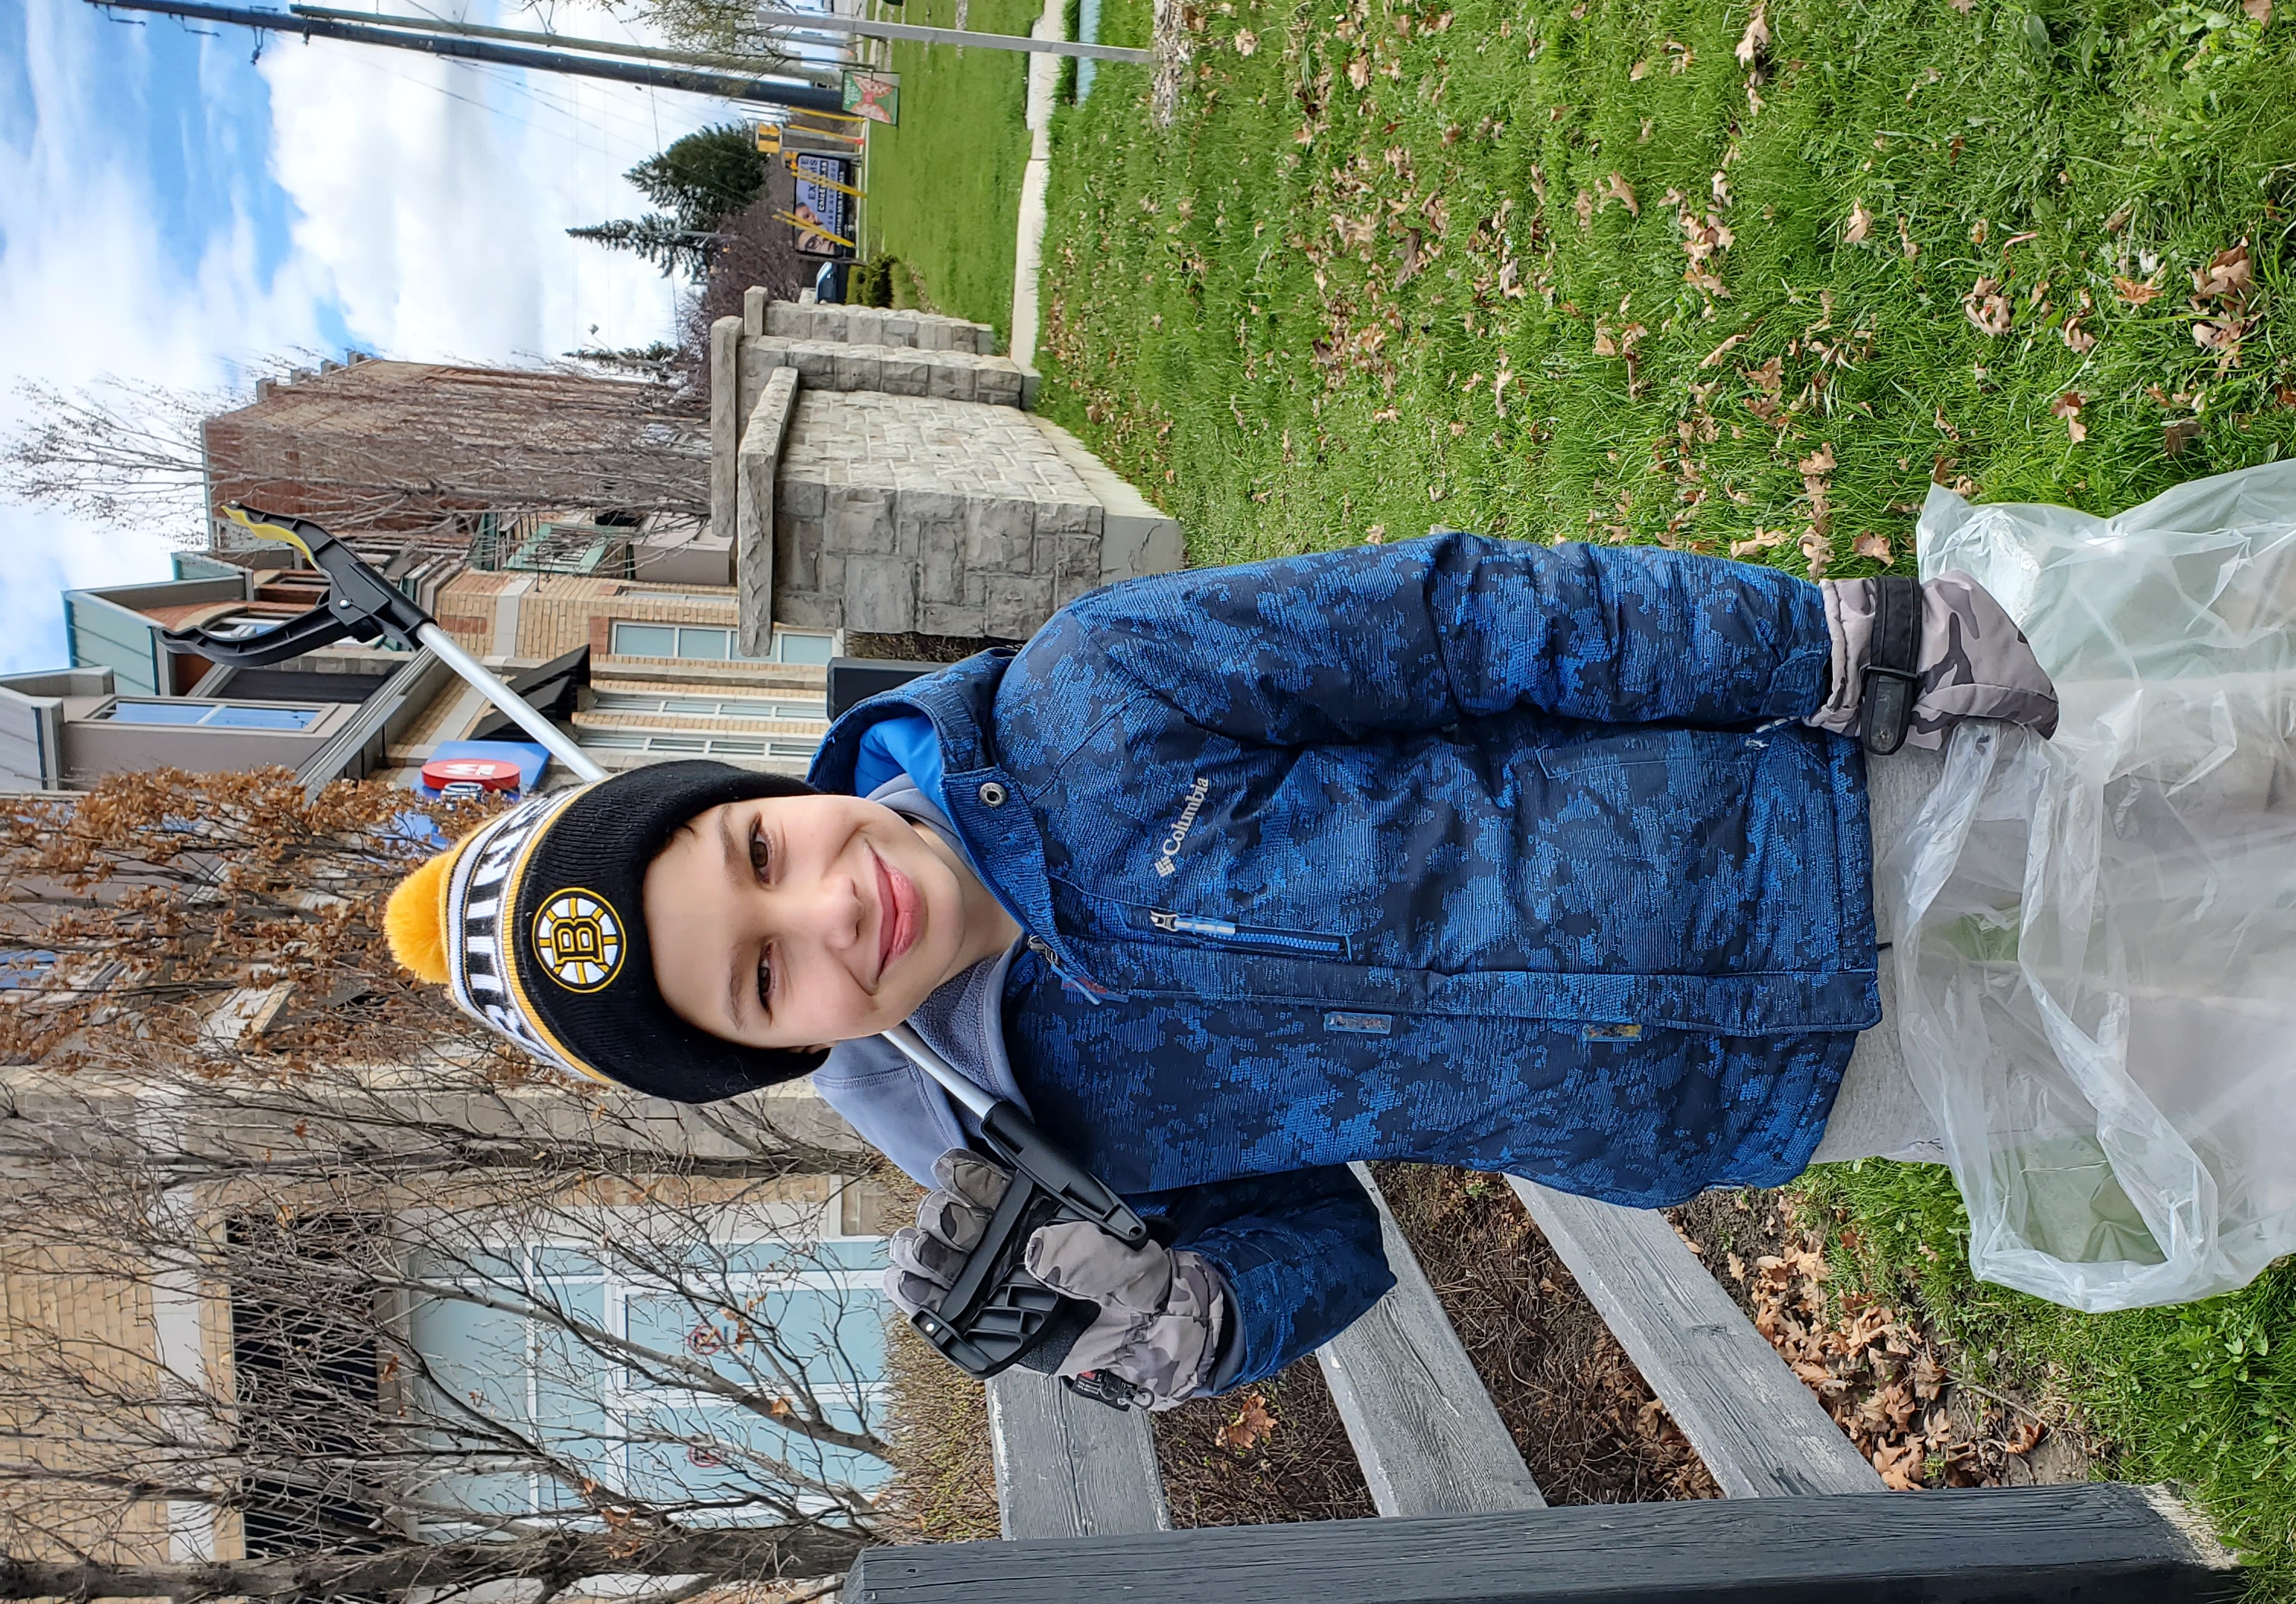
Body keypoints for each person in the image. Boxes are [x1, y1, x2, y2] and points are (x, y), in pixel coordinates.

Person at [380, 535, 2062, 1408]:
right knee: (2181, 1059)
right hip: (1751, 1096)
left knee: (2218, 812)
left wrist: (1827, 651)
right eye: (761, 984)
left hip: (1796, 821)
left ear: (763, 801)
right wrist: (1183, 1320)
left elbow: (1465, 620)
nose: (821, 918)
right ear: (779, 1054)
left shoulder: (1092, 696)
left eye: (761, 856)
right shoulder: (1011, 1158)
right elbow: (1330, 1242)